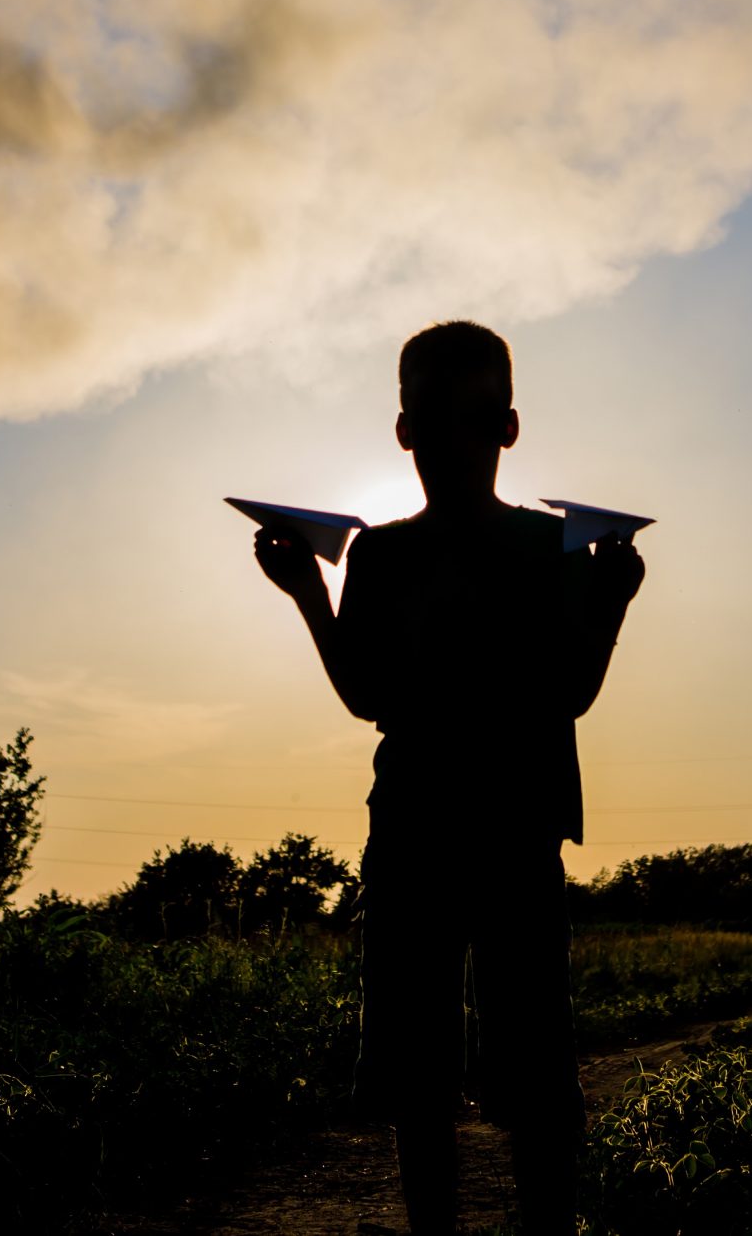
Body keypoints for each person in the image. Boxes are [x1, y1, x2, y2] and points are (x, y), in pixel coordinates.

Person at [253, 320, 646, 1236]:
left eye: (468, 420)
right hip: (415, 830)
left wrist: (611, 607)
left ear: (507, 428)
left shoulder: (555, 552)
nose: (448, 442)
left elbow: (573, 692)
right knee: (417, 1081)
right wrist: (310, 594)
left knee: (537, 1074)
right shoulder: (382, 558)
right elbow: (365, 694)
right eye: (430, 420)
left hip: (514, 830)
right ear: (403, 432)